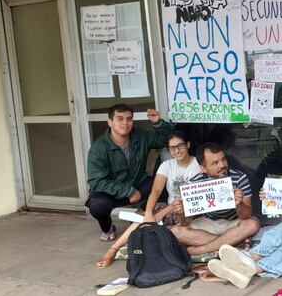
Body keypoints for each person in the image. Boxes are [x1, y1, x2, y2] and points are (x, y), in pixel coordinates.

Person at [207, 131, 282, 288]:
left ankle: (253, 269)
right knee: (274, 235)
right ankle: (246, 259)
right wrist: (267, 195)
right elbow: (275, 198)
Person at [95, 130, 201, 268]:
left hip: (188, 210)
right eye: (172, 148)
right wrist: (150, 213)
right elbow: (156, 191)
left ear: (187, 145)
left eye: (180, 146)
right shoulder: (166, 165)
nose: (176, 151)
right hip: (168, 208)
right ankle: (112, 250)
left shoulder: (198, 165)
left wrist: (157, 216)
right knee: (143, 219)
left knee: (153, 223)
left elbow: (186, 198)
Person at [86, 103, 173, 241]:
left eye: (129, 119)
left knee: (164, 185)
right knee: (97, 205)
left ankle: (141, 216)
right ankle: (107, 228)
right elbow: (96, 181)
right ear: (110, 122)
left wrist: (158, 123)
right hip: (112, 192)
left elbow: (166, 140)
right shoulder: (99, 148)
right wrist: (128, 191)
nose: (125, 123)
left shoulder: (140, 135)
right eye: (120, 119)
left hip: (138, 183)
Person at [171, 142, 261, 255]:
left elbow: (246, 216)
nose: (222, 165)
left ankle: (201, 249)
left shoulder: (239, 178)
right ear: (203, 168)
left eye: (223, 159)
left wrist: (239, 204)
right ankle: (234, 244)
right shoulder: (194, 183)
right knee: (175, 232)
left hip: (233, 223)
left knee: (252, 224)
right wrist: (181, 213)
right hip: (209, 223)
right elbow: (186, 222)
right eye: (215, 163)